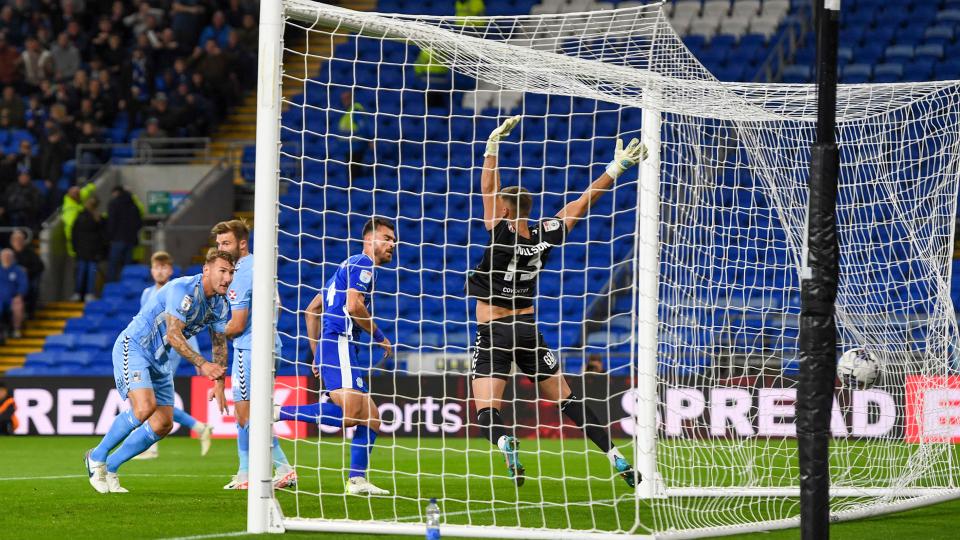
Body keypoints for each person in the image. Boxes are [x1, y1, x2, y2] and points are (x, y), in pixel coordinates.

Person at [466, 116, 645, 488]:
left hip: (493, 329)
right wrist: (616, 169)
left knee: (486, 412)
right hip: (528, 330)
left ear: (504, 209)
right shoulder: (544, 234)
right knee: (568, 400)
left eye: (498, 204)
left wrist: (492, 146)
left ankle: (504, 442)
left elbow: (487, 185)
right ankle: (616, 455)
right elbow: (582, 203)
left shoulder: (499, 230)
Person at [84, 249, 234, 494]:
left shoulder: (220, 303)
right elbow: (174, 335)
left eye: (231, 272)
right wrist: (203, 364)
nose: (227, 278)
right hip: (135, 347)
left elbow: (219, 343)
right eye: (222, 271)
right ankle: (96, 456)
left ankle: (110, 467)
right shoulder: (182, 289)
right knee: (144, 408)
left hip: (160, 358)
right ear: (206, 270)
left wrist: (219, 384)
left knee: (163, 423)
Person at [277, 217, 396, 496]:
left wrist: (318, 353)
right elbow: (354, 306)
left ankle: (357, 480)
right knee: (353, 415)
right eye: (387, 238)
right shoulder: (364, 264)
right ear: (370, 240)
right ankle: (276, 413)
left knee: (372, 418)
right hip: (341, 343)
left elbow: (311, 310)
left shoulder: (344, 267)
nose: (392, 245)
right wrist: (380, 337)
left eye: (394, 240)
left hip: (337, 347)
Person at [212, 219, 296, 490]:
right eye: (218, 244)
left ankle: (283, 468)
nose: (221, 248)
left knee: (248, 415)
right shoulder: (261, 265)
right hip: (271, 344)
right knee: (244, 413)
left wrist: (212, 327)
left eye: (226, 243)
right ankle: (245, 473)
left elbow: (235, 325)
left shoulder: (242, 273)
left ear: (242, 243)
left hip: (250, 350)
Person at [133, 251, 214, 460]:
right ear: (151, 270)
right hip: (150, 350)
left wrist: (196, 357)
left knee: (149, 396)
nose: (159, 271)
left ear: (170, 270)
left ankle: (151, 446)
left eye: (163, 267)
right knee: (154, 400)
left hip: (170, 351)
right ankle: (199, 427)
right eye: (156, 267)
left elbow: (184, 327)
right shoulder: (146, 293)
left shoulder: (177, 291)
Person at [105, 185, 143, 282]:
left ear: (116, 193)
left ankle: (111, 286)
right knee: (128, 265)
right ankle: (127, 285)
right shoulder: (133, 204)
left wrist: (110, 236)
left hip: (117, 239)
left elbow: (111, 222)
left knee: (113, 264)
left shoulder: (114, 204)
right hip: (130, 239)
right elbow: (139, 222)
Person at [71, 194, 104, 301]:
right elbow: (101, 236)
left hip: (82, 251)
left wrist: (75, 248)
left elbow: (74, 235)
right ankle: (88, 293)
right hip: (92, 252)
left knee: (81, 273)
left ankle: (77, 293)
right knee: (90, 273)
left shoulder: (79, 217)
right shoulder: (98, 219)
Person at [10, 229, 43, 317]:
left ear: (24, 241)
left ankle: (30, 312)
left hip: (28, 279)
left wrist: (28, 270)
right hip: (11, 281)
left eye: (20, 240)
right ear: (12, 241)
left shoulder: (30, 253)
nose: (18, 242)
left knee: (33, 287)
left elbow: (40, 266)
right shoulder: (8, 253)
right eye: (15, 240)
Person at [0, 248, 27, 339]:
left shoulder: (18, 270)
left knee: (18, 305)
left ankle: (16, 330)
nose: (6, 258)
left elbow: (23, 284)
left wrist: (19, 295)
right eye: (4, 256)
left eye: (8, 256)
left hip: (12, 298)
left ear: (13, 257)